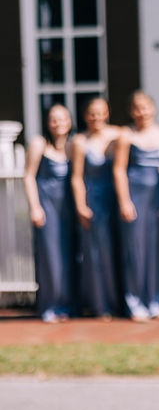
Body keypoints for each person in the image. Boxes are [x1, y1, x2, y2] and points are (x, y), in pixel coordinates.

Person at [113, 91, 159, 322]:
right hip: (135, 198)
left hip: (157, 198)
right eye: (137, 108)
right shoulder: (126, 136)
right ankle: (135, 303)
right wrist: (124, 201)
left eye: (146, 107)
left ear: (153, 109)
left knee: (157, 251)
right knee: (135, 250)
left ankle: (157, 302)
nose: (142, 112)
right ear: (131, 111)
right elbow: (119, 169)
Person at [70, 98, 121, 319]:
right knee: (98, 253)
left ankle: (123, 302)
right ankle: (102, 305)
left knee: (121, 250)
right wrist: (81, 205)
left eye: (100, 112)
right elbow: (77, 177)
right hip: (94, 200)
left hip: (117, 198)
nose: (96, 117)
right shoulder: (80, 142)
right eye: (91, 113)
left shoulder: (119, 135)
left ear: (108, 112)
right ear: (85, 116)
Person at [23, 103, 74, 323]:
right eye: (54, 119)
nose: (59, 123)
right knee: (51, 257)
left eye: (63, 118)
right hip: (48, 208)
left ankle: (69, 305)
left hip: (69, 209)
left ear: (70, 121)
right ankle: (51, 306)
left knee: (70, 256)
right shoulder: (39, 144)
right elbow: (28, 176)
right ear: (47, 122)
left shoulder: (74, 146)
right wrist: (35, 207)